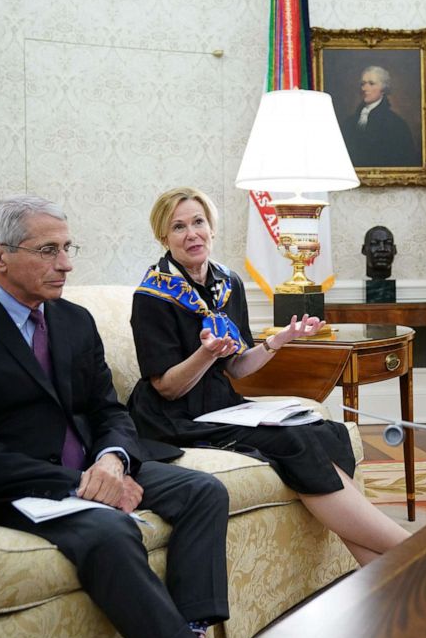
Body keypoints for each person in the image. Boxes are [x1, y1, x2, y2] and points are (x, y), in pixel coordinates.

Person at [0, 196, 230, 638]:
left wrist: (112, 461)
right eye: (48, 251)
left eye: (68, 248)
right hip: (15, 486)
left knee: (203, 491)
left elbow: (108, 410)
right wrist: (78, 481)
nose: (65, 265)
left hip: (91, 465)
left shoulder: (74, 321)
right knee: (110, 529)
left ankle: (193, 629)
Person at [127, 188, 409, 566]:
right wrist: (205, 352)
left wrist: (279, 341)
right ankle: (411, 549)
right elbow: (167, 386)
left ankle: (383, 574)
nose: (192, 233)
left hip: (220, 405)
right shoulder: (152, 295)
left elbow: (237, 367)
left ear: (212, 228)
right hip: (172, 417)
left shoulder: (227, 283)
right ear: (164, 237)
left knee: (324, 430)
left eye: (198, 222)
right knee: (293, 440)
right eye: (179, 227)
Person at [341, 65, 420, 167]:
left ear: (383, 88)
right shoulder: (350, 122)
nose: (364, 88)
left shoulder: (396, 124)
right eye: (363, 83)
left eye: (371, 83)